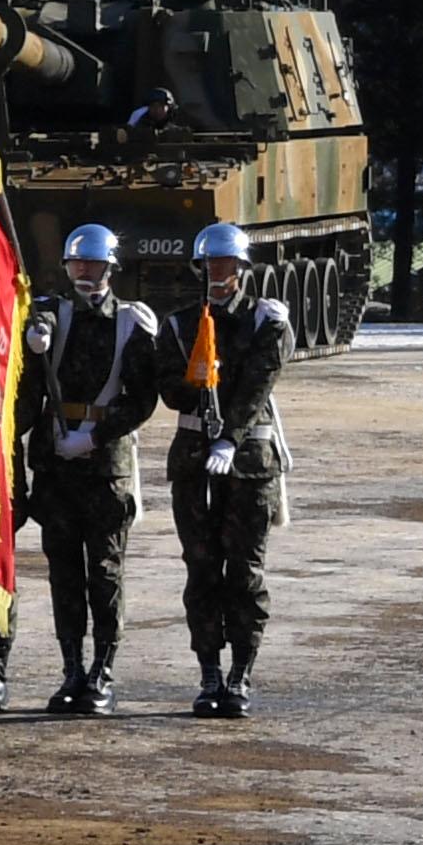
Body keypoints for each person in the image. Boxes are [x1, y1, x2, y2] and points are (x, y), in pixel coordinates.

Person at [20, 224, 163, 717]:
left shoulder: (131, 323)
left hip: (104, 467)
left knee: (104, 574)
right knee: (63, 575)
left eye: (95, 265)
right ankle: (71, 670)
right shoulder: (46, 318)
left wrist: (95, 437)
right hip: (57, 466)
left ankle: (102, 672)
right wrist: (29, 350)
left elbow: (143, 398)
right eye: (78, 264)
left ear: (110, 269)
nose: (86, 272)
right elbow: (24, 396)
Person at [163, 221, 290, 718]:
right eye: (212, 264)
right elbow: (168, 390)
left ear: (242, 269)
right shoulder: (180, 325)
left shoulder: (266, 321)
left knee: (244, 572)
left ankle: (240, 674)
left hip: (248, 463)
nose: (219, 272)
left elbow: (257, 387)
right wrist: (191, 374)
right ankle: (208, 673)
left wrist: (229, 439)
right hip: (194, 462)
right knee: (200, 570)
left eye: (228, 265)